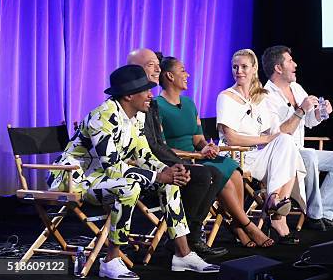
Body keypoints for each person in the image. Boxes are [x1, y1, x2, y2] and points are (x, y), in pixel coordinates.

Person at [48, 65, 219, 279]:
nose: (150, 95)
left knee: (169, 182)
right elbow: (112, 168)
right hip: (74, 179)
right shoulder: (102, 118)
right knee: (128, 186)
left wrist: (168, 171)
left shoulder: (137, 116)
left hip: (102, 178)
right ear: (129, 95)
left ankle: (183, 254)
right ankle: (110, 260)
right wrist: (158, 176)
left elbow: (144, 155)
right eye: (146, 90)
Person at [155, 54, 274, 248]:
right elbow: (161, 146)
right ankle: (246, 226)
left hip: (198, 158)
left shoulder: (190, 104)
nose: (188, 74)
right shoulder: (157, 107)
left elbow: (198, 139)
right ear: (169, 76)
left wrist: (206, 147)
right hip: (178, 162)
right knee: (221, 178)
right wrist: (196, 155)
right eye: (183, 71)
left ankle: (238, 226)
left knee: (233, 170)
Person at [126, 48, 228, 258]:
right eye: (151, 65)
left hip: (157, 162)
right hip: (135, 170)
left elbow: (156, 144)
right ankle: (183, 242)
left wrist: (182, 163)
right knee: (201, 174)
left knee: (214, 173)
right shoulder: (133, 102)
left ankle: (189, 237)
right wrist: (179, 164)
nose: (158, 68)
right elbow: (147, 148)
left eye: (158, 64)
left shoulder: (151, 103)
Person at [216, 48, 306, 244]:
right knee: (285, 148)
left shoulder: (261, 97)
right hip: (236, 157)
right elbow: (231, 138)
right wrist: (265, 140)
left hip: (258, 155)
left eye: (244, 67)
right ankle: (277, 214)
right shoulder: (226, 97)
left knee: (287, 141)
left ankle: (274, 198)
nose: (239, 71)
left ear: (254, 68)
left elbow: (276, 131)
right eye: (235, 67)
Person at [262, 45, 333, 231]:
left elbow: (309, 121)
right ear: (278, 68)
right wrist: (301, 109)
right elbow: (278, 133)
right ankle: (314, 216)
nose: (295, 64)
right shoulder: (266, 97)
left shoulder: (296, 88)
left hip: (301, 152)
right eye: (290, 61)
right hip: (281, 156)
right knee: (310, 156)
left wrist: (321, 113)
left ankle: (326, 213)